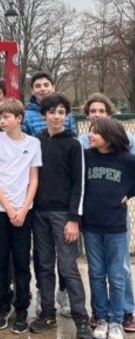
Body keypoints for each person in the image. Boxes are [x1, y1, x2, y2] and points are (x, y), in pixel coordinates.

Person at [29, 93, 91, 339]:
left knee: (67, 267)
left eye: (61, 112)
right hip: (39, 213)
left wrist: (74, 218)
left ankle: (81, 319)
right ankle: (47, 313)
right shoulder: (36, 141)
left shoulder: (74, 144)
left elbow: (80, 184)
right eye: (52, 112)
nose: (56, 116)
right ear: (44, 115)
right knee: (43, 265)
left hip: (64, 215)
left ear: (66, 115)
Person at [0, 98, 42, 334]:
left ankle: (21, 308)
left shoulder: (34, 143)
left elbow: (34, 179)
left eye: (7, 117)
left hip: (23, 212)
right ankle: (1, 305)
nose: (2, 121)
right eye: (0, 117)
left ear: (19, 118)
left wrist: (23, 208)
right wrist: (9, 208)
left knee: (21, 261)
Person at [80, 93, 135, 332]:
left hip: (116, 227)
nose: (89, 134)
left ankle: (117, 319)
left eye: (95, 131)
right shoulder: (85, 156)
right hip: (91, 225)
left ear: (109, 136)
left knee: (117, 274)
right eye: (89, 129)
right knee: (95, 273)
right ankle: (100, 316)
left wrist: (128, 194)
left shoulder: (126, 159)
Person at [23, 72, 77, 137]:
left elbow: (74, 138)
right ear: (32, 91)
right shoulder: (25, 117)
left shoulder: (67, 115)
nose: (42, 89)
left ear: (53, 88)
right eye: (38, 86)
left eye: (46, 85)